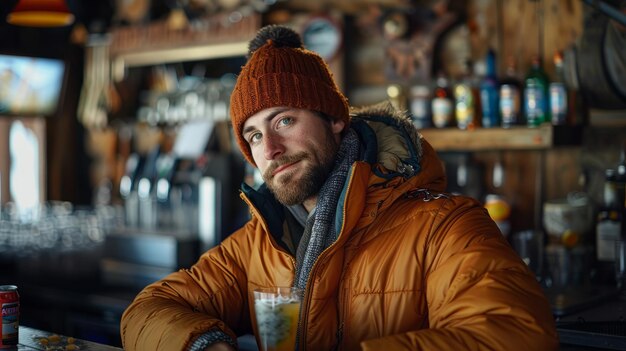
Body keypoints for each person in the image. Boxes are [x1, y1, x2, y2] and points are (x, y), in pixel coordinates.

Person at [120, 25, 558, 351]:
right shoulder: (257, 243)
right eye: (253, 135)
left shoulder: (444, 227)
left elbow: (517, 335)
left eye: (284, 121)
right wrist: (206, 346)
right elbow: (146, 310)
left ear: (334, 119)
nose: (269, 149)